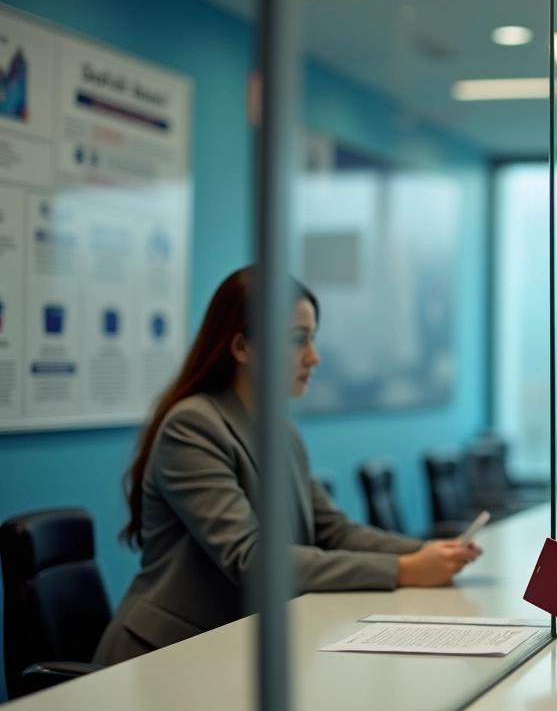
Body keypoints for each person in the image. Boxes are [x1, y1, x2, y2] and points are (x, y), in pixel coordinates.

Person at [95, 267, 479, 665]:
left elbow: (335, 531)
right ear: (242, 346)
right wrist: (403, 569)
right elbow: (252, 560)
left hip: (234, 652)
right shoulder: (193, 426)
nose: (314, 356)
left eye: (311, 339)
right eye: (298, 340)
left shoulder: (283, 433)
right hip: (164, 656)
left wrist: (428, 553)